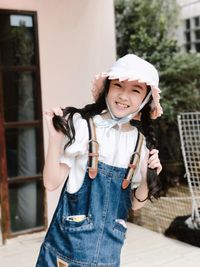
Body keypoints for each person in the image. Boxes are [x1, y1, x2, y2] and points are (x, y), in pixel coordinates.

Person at [36, 54, 163, 267]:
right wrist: (56, 140)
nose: (124, 95)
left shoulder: (140, 144)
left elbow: (135, 205)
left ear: (145, 100)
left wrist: (146, 178)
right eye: (118, 86)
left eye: (135, 90)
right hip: (62, 257)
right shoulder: (85, 127)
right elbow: (50, 183)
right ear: (107, 88)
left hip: (108, 259)